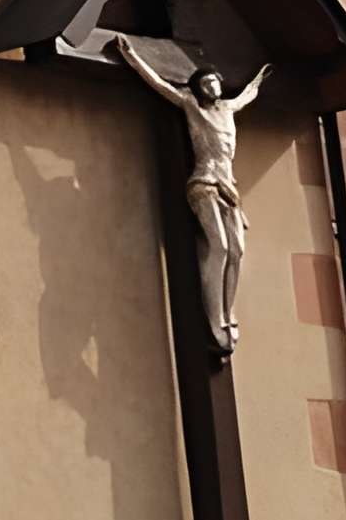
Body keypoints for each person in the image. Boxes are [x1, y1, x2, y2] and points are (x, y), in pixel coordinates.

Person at [109, 36, 265, 357]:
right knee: (219, 245)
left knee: (237, 252)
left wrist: (261, 77)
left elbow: (247, 95)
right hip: (204, 182)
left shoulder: (227, 109)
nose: (211, 88)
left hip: (229, 188)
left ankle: (227, 313)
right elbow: (159, 85)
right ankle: (215, 318)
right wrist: (134, 58)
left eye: (214, 83)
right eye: (205, 84)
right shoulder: (191, 105)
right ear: (198, 89)